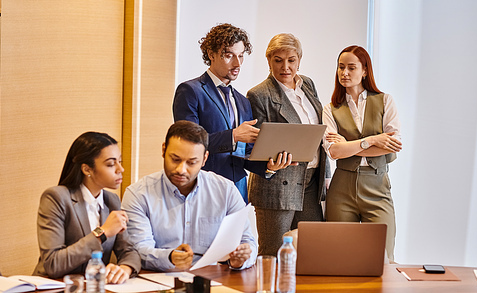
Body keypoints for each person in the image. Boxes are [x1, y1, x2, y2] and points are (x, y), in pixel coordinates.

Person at [173, 23, 291, 203]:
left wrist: (269, 166)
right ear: (211, 54)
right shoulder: (190, 91)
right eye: (229, 55)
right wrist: (233, 136)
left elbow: (245, 153)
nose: (237, 64)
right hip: (204, 191)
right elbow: (187, 144)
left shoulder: (243, 101)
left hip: (238, 194)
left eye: (241, 56)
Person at [121, 120, 257, 271]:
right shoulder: (138, 194)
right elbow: (138, 250)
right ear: (163, 150)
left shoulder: (226, 190)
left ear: (204, 159)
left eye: (191, 162)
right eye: (175, 159)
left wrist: (240, 259)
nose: (181, 170)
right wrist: (169, 257)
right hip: (159, 279)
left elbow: (248, 241)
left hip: (214, 280)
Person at [246, 33, 330, 256]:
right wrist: (273, 160)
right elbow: (257, 145)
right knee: (273, 255)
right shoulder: (259, 94)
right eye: (278, 60)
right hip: (277, 185)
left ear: (299, 60)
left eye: (291, 60)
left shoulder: (308, 85)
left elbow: (320, 134)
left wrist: (327, 175)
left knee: (314, 252)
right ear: (269, 61)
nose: (285, 67)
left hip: (311, 183)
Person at [322, 45, 402, 262]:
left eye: (351, 67)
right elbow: (335, 151)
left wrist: (350, 145)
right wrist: (373, 140)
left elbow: (393, 145)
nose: (344, 73)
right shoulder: (330, 109)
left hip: (378, 187)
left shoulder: (385, 101)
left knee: (383, 259)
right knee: (339, 259)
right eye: (340, 67)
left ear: (365, 71)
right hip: (342, 190)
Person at [33, 132, 140, 283]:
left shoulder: (112, 200)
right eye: (111, 164)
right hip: (54, 286)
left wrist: (125, 268)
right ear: (87, 169)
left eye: (119, 161)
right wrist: (102, 232)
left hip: (92, 287)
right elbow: (53, 264)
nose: (120, 169)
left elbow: (129, 251)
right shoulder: (56, 198)